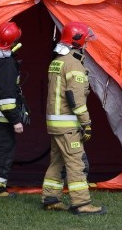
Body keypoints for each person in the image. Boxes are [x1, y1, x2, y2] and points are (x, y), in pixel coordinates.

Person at [41, 21, 106, 215]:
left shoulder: (57, 61)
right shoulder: (74, 64)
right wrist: (86, 123)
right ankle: (81, 203)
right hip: (68, 125)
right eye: (86, 40)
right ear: (79, 41)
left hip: (55, 123)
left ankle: (51, 198)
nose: (86, 44)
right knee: (76, 162)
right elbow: (75, 98)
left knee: (57, 161)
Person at [0, 21, 29, 197]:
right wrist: (16, 120)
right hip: (3, 117)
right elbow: (7, 100)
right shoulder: (7, 66)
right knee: (3, 150)